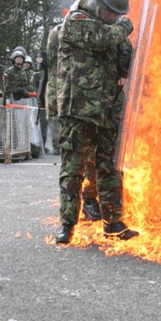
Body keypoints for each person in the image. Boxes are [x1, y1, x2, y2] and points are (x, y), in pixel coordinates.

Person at [55, 0, 139, 243]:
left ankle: (113, 222)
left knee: (110, 168)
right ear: (97, 5)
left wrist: (130, 56)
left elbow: (124, 59)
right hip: (78, 110)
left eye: (118, 16)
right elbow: (102, 38)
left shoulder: (113, 30)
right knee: (73, 169)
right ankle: (68, 225)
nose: (114, 19)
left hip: (106, 111)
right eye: (110, 14)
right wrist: (124, 28)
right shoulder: (77, 20)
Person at [47, 23, 102, 220]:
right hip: (72, 103)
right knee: (79, 158)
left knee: (83, 157)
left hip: (73, 101)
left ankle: (84, 201)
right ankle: (84, 202)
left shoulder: (61, 32)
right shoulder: (62, 33)